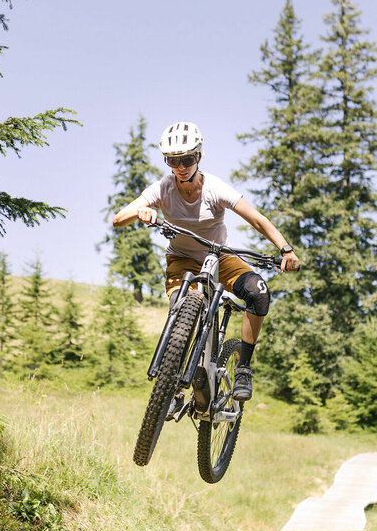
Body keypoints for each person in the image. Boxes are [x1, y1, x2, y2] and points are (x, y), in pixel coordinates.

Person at [111, 121, 300, 401]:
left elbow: (257, 220)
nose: (180, 166)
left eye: (187, 159)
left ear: (198, 156)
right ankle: (172, 384)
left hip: (220, 257)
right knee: (182, 309)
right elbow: (117, 220)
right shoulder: (163, 188)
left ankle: (244, 369)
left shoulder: (214, 188)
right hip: (182, 260)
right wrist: (142, 211)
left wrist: (285, 248)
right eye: (173, 160)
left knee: (259, 293)